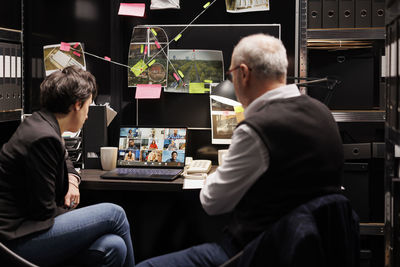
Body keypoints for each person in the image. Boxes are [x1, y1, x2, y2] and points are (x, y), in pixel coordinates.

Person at [136, 34, 343, 266]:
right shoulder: (323, 113)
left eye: (231, 75)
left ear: (243, 73)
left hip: (255, 253)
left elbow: (212, 201)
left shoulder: (257, 129)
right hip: (308, 252)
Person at [0, 66, 135, 267]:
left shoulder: (42, 123)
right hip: (20, 240)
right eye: (89, 108)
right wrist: (84, 222)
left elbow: (64, 157)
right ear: (77, 105)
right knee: (115, 214)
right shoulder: (43, 138)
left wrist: (72, 180)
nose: (88, 116)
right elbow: (43, 213)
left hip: (29, 230)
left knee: (114, 246)